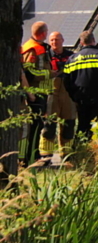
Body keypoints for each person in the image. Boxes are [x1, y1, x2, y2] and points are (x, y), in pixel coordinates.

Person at [40, 31, 77, 160]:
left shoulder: (71, 55)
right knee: (49, 124)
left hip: (68, 93)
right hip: (52, 93)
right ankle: (45, 155)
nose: (54, 42)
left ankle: (66, 155)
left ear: (63, 40)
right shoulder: (45, 56)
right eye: (52, 40)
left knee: (69, 124)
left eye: (57, 39)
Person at [21, 21, 52, 165]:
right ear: (44, 33)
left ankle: (34, 155)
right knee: (35, 126)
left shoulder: (39, 47)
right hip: (35, 92)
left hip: (41, 91)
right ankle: (30, 157)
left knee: (39, 125)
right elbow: (28, 71)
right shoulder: (32, 49)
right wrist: (50, 73)